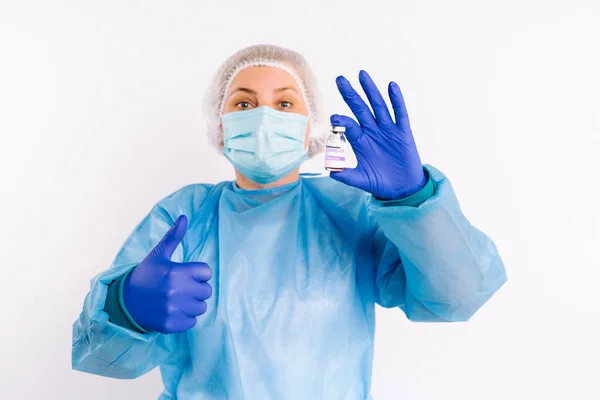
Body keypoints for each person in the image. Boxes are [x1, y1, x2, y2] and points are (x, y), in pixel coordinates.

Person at [72, 44, 507, 400]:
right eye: (244, 103)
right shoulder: (183, 217)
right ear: (220, 126)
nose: (264, 118)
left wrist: (413, 202)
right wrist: (126, 308)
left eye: (284, 103)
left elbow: (457, 296)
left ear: (309, 126)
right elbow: (103, 355)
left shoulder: (349, 211)